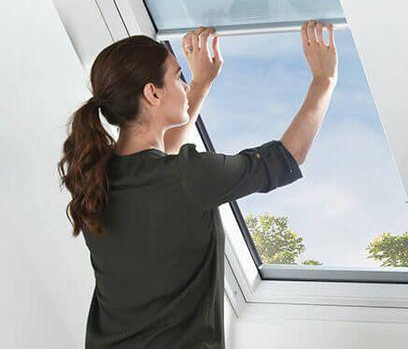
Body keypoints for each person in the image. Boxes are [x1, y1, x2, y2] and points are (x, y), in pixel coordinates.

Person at [57, 19, 338, 348]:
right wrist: (324, 80)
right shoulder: (188, 176)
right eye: (179, 77)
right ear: (152, 93)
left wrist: (201, 83)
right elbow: (288, 156)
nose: (184, 84)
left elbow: (162, 164)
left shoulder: (95, 176)